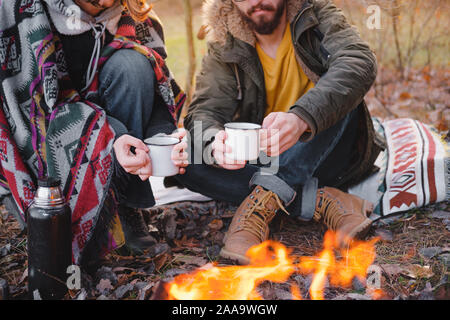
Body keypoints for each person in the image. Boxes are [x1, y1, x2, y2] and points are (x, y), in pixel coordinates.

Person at [179, 0, 386, 264]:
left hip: (327, 150)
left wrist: (302, 118)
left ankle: (259, 208)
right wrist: (213, 142)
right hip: (265, 156)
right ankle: (321, 200)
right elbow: (205, 111)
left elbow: (358, 61)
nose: (255, 2)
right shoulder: (225, 43)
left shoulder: (315, 14)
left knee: (342, 97)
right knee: (185, 157)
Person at [0, 0, 188, 268]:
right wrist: (113, 138)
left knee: (133, 65)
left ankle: (125, 205)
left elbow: (156, 91)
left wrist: (164, 137)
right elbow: (35, 112)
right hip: (45, 136)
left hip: (110, 124)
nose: (104, 3)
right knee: (54, 238)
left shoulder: (134, 16)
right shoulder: (24, 11)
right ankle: (77, 212)